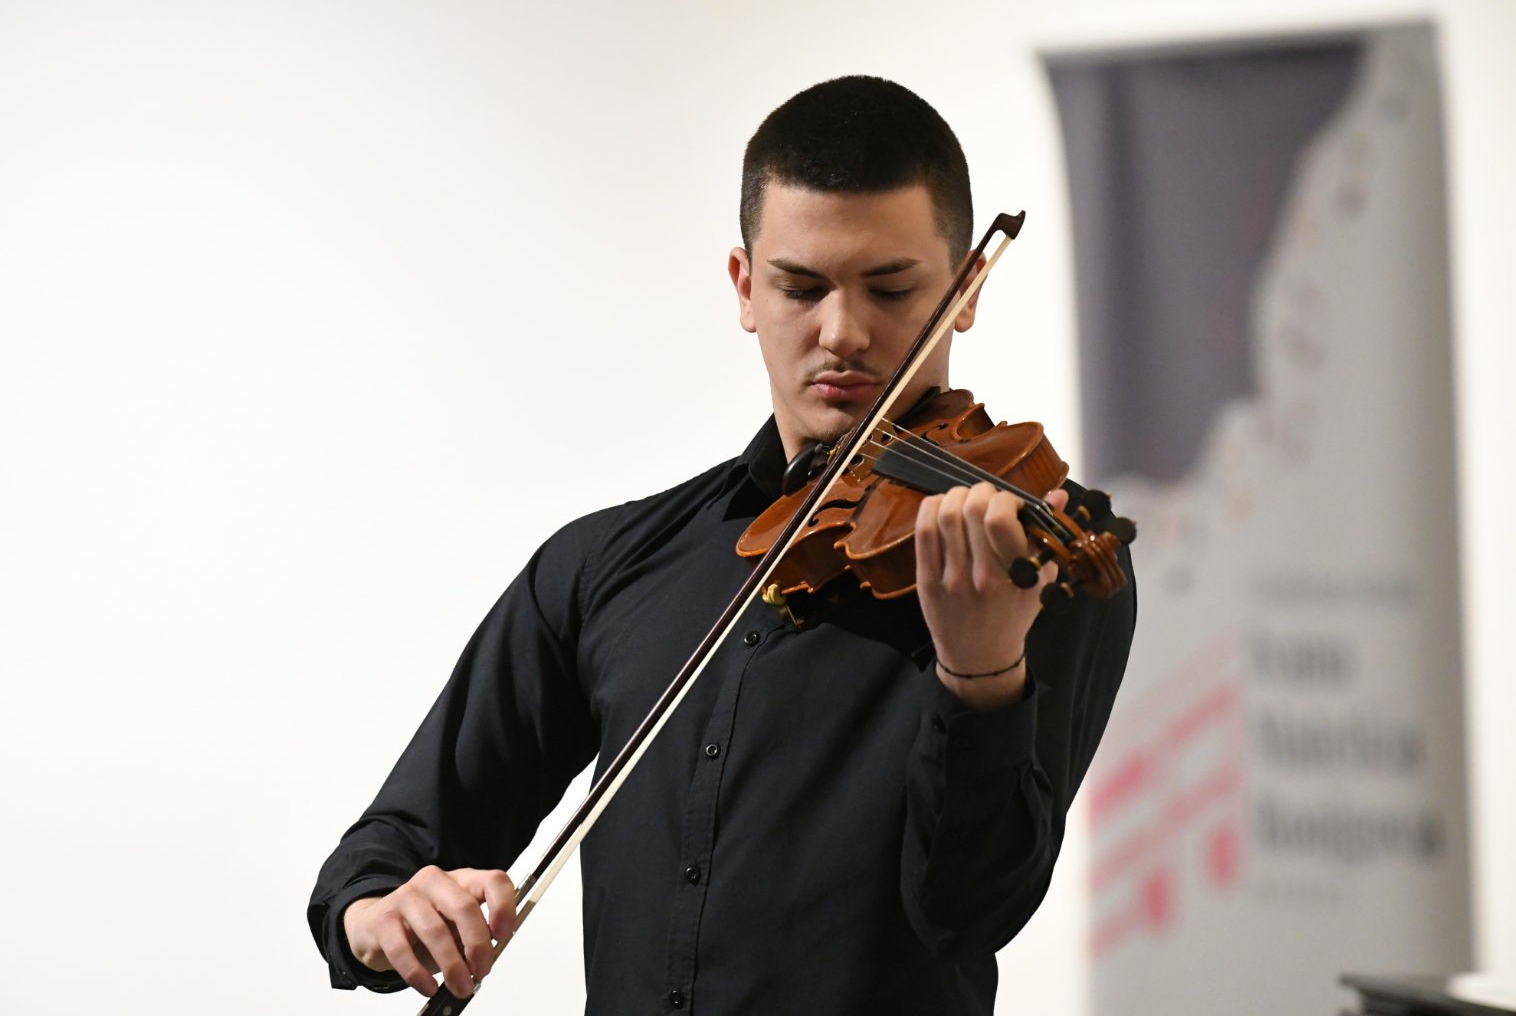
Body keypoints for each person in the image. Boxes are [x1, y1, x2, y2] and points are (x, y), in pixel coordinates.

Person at [308, 75, 1135, 1015]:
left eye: (892, 288)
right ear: (746, 287)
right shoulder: (605, 567)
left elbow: (968, 912)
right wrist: (380, 911)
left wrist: (980, 676)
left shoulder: (1032, 555)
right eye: (801, 287)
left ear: (966, 289)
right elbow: (393, 845)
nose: (843, 332)